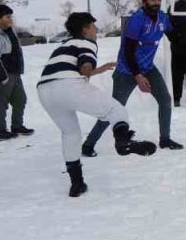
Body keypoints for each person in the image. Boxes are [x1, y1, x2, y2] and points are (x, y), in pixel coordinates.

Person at [38, 12, 156, 197]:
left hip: (45, 91)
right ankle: (123, 141)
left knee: (71, 133)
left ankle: (77, 184)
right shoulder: (86, 42)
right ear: (85, 30)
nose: (96, 29)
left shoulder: (64, 45)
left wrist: (96, 70)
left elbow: (72, 69)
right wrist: (88, 68)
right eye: (93, 26)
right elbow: (84, 65)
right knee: (116, 110)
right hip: (68, 85)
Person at [85, 0, 182, 155]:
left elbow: (175, 38)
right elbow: (128, 52)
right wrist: (137, 75)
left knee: (165, 100)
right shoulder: (137, 19)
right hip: (127, 70)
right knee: (114, 109)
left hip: (148, 67)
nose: (156, 3)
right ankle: (88, 144)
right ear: (144, 1)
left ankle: (165, 139)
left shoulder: (162, 18)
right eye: (152, 0)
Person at [0, 4, 34, 141]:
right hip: (4, 74)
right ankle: (0, 131)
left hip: (15, 73)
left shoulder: (9, 31)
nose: (10, 19)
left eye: (10, 16)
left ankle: (17, 126)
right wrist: (3, 76)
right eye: (7, 17)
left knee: (20, 100)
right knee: (2, 103)